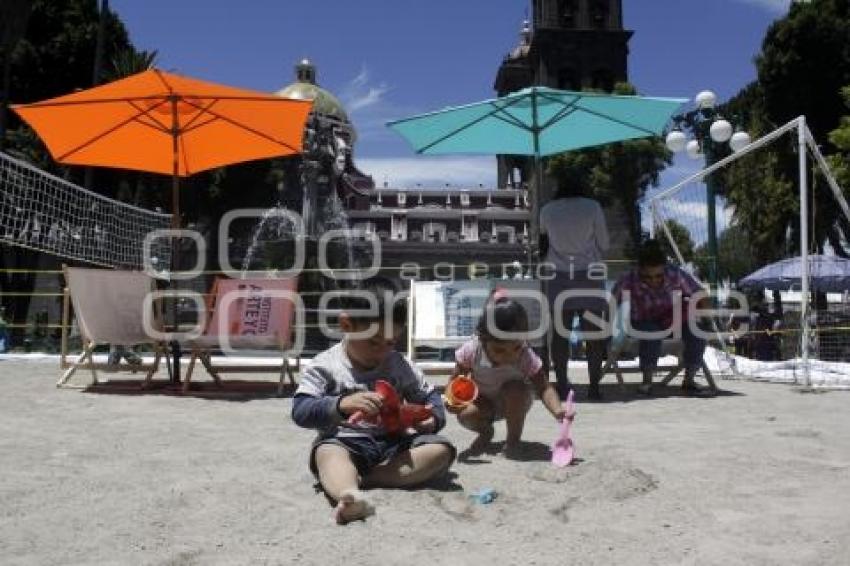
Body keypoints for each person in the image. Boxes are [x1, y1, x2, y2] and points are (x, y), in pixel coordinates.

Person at [291, 278, 455, 525]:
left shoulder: (399, 364)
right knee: (327, 452)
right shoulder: (325, 365)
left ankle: (368, 478)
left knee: (442, 450)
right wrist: (340, 405)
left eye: (390, 343)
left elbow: (430, 397)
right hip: (346, 442)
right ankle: (350, 495)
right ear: (346, 325)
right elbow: (301, 410)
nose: (382, 351)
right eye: (373, 342)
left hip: (394, 445)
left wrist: (431, 420)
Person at [450, 289, 566, 459]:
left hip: (516, 401)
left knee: (514, 389)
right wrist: (452, 401)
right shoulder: (472, 351)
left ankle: (513, 441)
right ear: (483, 339)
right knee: (466, 414)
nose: (510, 356)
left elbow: (543, 387)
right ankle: (486, 432)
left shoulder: (524, 355)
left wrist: (558, 410)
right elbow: (455, 383)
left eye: (516, 347)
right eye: (499, 350)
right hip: (484, 404)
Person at [539, 178, 610, 400]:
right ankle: (594, 387)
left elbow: (543, 241)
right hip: (590, 274)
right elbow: (605, 243)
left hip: (557, 275)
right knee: (593, 335)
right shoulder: (592, 207)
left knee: (560, 335)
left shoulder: (547, 210)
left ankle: (562, 385)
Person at [612, 240, 712, 396]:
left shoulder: (675, 274)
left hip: (671, 320)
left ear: (664, 268)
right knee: (652, 332)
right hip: (642, 321)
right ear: (640, 269)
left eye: (658, 276)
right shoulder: (628, 279)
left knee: (697, 332)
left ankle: (689, 379)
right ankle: (647, 381)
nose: (653, 281)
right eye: (647, 277)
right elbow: (611, 302)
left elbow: (700, 294)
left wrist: (707, 319)